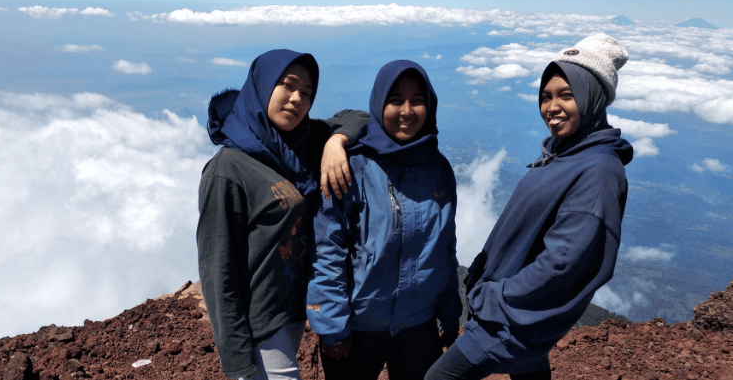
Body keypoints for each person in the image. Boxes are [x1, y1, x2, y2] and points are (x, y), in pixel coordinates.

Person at [425, 33, 633, 380]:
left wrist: (494, 297)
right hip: (518, 319)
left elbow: (563, 263)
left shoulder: (598, 171)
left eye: (567, 95)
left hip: (507, 323)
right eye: (546, 97)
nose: (552, 107)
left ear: (593, 96)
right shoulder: (565, 153)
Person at [197, 49, 369, 380]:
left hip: (291, 310)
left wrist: (336, 143)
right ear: (262, 86)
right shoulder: (228, 170)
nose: (296, 100)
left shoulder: (301, 141)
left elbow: (361, 118)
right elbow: (218, 274)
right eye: (287, 86)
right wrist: (237, 364)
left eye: (307, 93)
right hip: (259, 321)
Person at [307, 60, 461, 380]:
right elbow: (327, 251)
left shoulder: (439, 170)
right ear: (379, 104)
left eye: (417, 100)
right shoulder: (352, 167)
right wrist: (332, 325)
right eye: (395, 100)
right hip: (358, 325)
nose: (406, 110)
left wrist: (449, 312)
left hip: (418, 324)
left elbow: (445, 246)